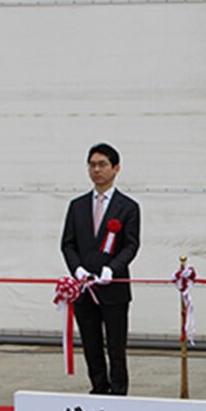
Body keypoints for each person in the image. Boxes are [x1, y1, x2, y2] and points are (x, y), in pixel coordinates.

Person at [61, 143, 141, 395]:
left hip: (113, 287)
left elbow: (131, 244)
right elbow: (68, 243)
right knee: (91, 343)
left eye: (102, 164)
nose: (96, 170)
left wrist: (113, 269)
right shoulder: (77, 206)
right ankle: (98, 388)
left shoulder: (128, 207)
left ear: (116, 168)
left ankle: (118, 392)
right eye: (92, 165)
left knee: (116, 345)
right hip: (84, 288)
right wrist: (77, 270)